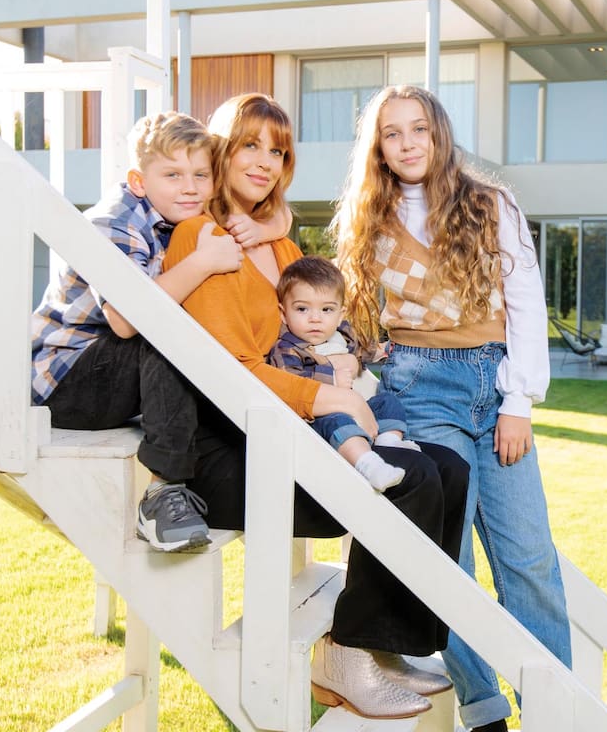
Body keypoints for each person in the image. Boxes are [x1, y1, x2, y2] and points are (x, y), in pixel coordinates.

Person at [162, 93, 470, 720]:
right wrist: (329, 394)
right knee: (412, 478)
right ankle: (346, 653)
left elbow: (314, 332)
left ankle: (387, 645)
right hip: (231, 446)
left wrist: (345, 363)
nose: (265, 162)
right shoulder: (201, 239)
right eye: (250, 145)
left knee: (449, 469)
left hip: (288, 426)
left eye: (278, 152)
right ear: (222, 151)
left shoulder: (277, 246)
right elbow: (232, 373)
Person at [330, 85, 571, 732]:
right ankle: (484, 708)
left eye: (419, 129)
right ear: (378, 148)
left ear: (439, 133)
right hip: (420, 385)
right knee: (450, 557)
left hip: (496, 385)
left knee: (529, 557)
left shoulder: (491, 204)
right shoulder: (367, 218)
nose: (408, 143)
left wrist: (518, 401)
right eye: (392, 133)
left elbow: (526, 302)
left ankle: (555, 710)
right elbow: (349, 313)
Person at [30, 111, 291, 553]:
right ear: (138, 181)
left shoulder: (180, 215)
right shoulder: (114, 221)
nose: (189, 187)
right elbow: (126, 319)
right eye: (172, 175)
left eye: (200, 175)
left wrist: (271, 226)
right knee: (166, 331)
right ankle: (162, 492)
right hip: (66, 380)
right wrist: (203, 262)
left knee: (185, 325)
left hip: (114, 376)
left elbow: (274, 211)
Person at [270, 255, 425, 492]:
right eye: (302, 309)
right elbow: (289, 382)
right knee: (337, 421)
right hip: (318, 420)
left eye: (326, 309)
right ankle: (369, 465)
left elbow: (360, 349)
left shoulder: (341, 335)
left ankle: (389, 442)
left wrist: (380, 350)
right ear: (283, 313)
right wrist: (330, 377)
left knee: (387, 401)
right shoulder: (287, 348)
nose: (315, 318)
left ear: (340, 313)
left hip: (355, 414)